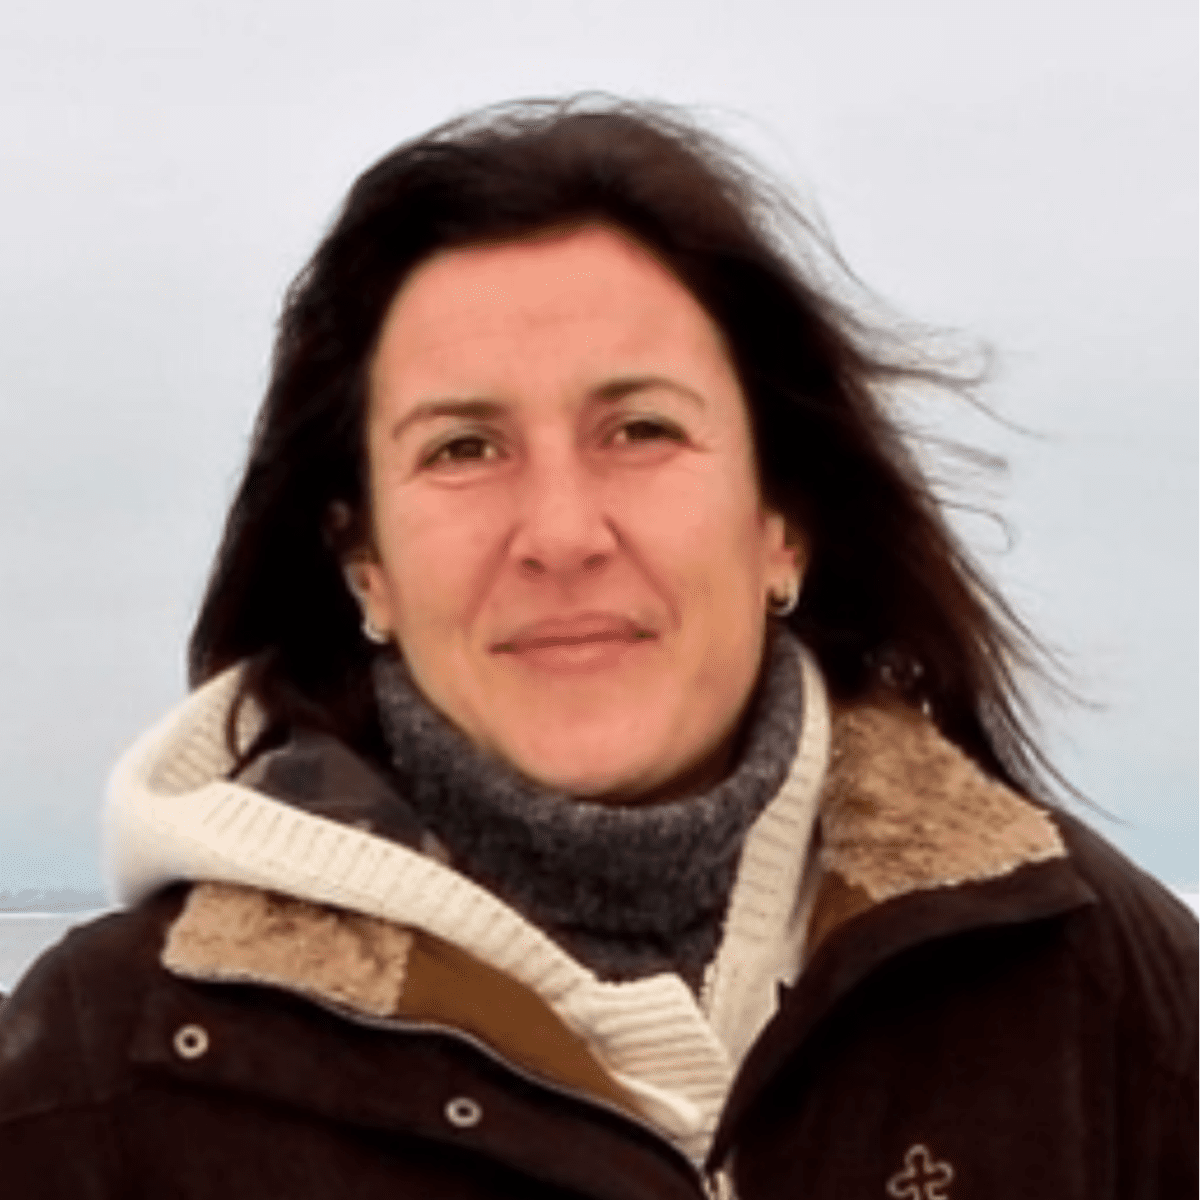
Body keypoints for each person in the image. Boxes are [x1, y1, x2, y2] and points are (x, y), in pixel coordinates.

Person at [0, 96, 1195, 1199]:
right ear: (366, 564)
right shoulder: (101, 1088)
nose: (563, 534)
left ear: (781, 523)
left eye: (640, 429)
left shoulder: (1099, 991)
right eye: (464, 448)